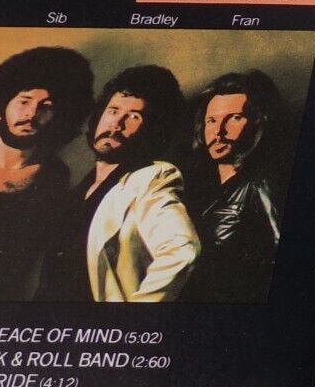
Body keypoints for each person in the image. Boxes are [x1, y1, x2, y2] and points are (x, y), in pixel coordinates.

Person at [37, 65, 199, 303]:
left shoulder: (153, 178)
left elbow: (182, 251)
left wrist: (132, 317)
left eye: (134, 116)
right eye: (113, 111)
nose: (116, 124)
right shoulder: (83, 184)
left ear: (152, 129)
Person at [0, 46, 94, 299]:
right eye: (24, 101)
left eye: (45, 106)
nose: (31, 114)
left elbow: (42, 257)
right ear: (1, 105)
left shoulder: (54, 176)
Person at [186, 70, 282, 303]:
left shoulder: (260, 186)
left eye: (234, 118)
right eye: (211, 120)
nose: (218, 131)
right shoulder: (200, 189)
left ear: (258, 123)